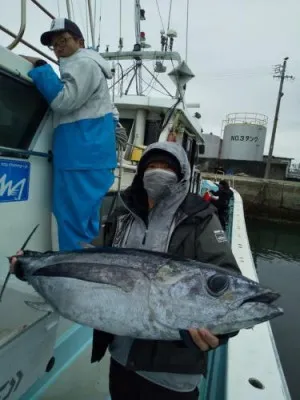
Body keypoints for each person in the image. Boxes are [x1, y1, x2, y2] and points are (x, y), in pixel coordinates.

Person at [90, 142, 241, 399]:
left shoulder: (200, 217)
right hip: (121, 357)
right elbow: (93, 261)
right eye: (152, 166)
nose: (158, 172)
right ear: (141, 172)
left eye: (167, 167)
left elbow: (225, 280)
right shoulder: (122, 214)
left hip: (172, 372)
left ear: (181, 174)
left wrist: (222, 330)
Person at [20, 18, 117, 250]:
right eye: (53, 44)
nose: (58, 47)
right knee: (81, 226)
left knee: (75, 229)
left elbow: (63, 101)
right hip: (83, 156)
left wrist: (41, 67)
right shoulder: (81, 64)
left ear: (80, 42)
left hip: (81, 157)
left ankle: (74, 281)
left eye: (63, 40)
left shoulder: (82, 62)